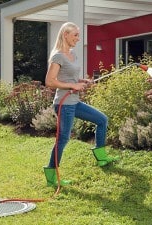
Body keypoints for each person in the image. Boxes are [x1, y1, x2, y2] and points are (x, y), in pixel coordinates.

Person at [44, 22, 119, 187]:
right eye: (75, 35)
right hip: (64, 104)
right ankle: (51, 176)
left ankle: (101, 157)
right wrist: (72, 86)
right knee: (63, 139)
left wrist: (82, 81)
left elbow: (69, 78)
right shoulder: (58, 56)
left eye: (78, 35)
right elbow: (50, 81)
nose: (78, 39)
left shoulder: (73, 54)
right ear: (66, 35)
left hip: (74, 102)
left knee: (102, 120)